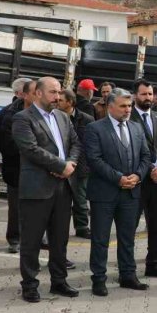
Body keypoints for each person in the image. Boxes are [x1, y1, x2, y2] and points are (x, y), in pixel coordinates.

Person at [12, 77, 82, 303]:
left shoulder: (63, 117)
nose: (58, 97)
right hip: (37, 189)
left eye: (59, 92)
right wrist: (60, 166)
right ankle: (30, 285)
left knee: (59, 239)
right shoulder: (23, 119)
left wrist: (69, 165)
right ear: (38, 94)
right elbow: (30, 149)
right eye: (53, 92)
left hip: (63, 187)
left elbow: (75, 144)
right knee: (31, 241)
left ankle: (59, 282)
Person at [84, 88, 152, 296]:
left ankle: (128, 275)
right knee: (101, 238)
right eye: (123, 106)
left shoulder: (136, 128)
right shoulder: (95, 129)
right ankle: (99, 278)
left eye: (129, 106)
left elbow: (145, 156)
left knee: (127, 237)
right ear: (110, 106)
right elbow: (94, 160)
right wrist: (118, 178)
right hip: (104, 193)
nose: (127, 110)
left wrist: (138, 176)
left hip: (131, 193)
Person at [130, 79, 157, 278]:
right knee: (129, 225)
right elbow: (129, 150)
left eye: (150, 94)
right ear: (134, 96)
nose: (147, 98)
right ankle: (127, 267)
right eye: (143, 94)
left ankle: (154, 264)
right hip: (138, 181)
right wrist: (149, 169)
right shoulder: (128, 117)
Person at [0, 79, 35, 252]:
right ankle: (15, 239)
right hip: (16, 168)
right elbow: (5, 144)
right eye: (35, 92)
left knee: (39, 206)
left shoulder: (46, 113)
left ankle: (37, 238)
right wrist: (32, 150)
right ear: (21, 94)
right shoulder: (6, 115)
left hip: (40, 169)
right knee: (17, 206)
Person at [58, 88, 94, 239]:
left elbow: (88, 144)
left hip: (81, 166)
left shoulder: (86, 119)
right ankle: (59, 228)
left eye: (61, 100)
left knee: (80, 199)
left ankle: (82, 227)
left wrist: (82, 164)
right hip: (60, 165)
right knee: (61, 201)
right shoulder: (55, 117)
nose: (57, 102)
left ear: (70, 102)